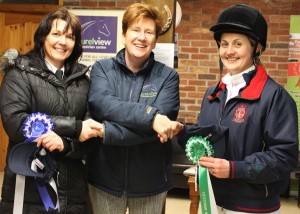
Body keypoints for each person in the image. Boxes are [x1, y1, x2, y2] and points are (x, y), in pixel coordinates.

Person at [174, 4, 299, 214]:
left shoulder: (276, 97)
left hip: (252, 208)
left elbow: (284, 159)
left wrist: (234, 169)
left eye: (237, 44)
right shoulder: (212, 93)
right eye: (224, 44)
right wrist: (183, 132)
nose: (229, 51)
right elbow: (210, 138)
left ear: (256, 47)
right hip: (212, 202)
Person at [0, 7, 102, 214]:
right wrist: (74, 127)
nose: (63, 42)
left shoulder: (83, 80)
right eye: (56, 34)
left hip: (73, 191)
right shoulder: (19, 73)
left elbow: (92, 135)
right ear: (43, 37)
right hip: (28, 190)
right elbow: (16, 123)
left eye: (70, 37)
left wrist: (63, 144)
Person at [86, 3, 180, 213]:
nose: (142, 37)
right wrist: (151, 116)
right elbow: (103, 106)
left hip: (151, 184)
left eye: (149, 32)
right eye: (136, 30)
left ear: (155, 40)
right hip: (104, 180)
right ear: (123, 34)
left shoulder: (168, 77)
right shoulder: (102, 68)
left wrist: (107, 131)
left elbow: (157, 131)